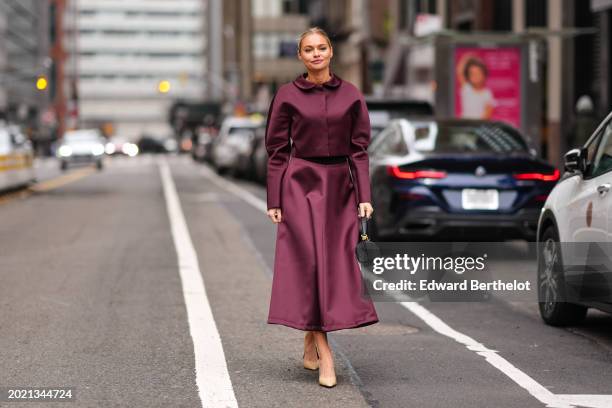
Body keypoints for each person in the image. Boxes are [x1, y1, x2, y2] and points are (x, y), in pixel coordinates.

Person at [265, 27, 379, 388]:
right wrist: (275, 199)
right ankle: (327, 357)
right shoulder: (286, 96)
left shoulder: (351, 95)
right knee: (309, 265)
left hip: (340, 189)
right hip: (301, 186)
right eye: (308, 49)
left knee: (334, 267)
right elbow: (277, 151)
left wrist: (364, 196)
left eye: (322, 48)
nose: (316, 54)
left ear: (331, 52)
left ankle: (310, 339)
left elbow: (360, 151)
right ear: (300, 56)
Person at [456, 54, 497, 120]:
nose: (475, 76)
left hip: (478, 126)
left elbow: (487, 114)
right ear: (468, 76)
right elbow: (459, 71)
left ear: (484, 75)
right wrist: (468, 58)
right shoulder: (467, 89)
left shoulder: (487, 93)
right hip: (464, 125)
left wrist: (477, 125)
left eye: (478, 73)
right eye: (472, 73)